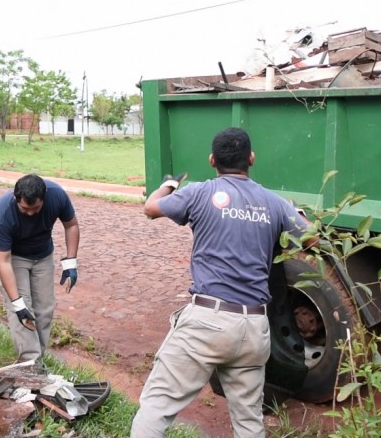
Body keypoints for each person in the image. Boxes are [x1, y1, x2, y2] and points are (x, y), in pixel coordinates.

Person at [130, 127, 311, 438]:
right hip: (254, 328)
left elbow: (150, 208)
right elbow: (312, 239)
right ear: (251, 159)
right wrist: (296, 214)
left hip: (208, 322)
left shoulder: (199, 192)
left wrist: (168, 186)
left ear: (212, 160)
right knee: (249, 424)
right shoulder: (275, 203)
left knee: (156, 408)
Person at [0, 173, 80, 365]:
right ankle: (29, 364)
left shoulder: (57, 195)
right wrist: (17, 304)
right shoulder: (3, 213)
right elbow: (3, 261)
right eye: (25, 209)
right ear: (15, 198)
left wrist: (71, 262)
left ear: (44, 199)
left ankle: (39, 361)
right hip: (14, 258)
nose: (30, 213)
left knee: (45, 309)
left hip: (43, 254)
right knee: (23, 311)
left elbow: (71, 225)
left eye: (36, 208)